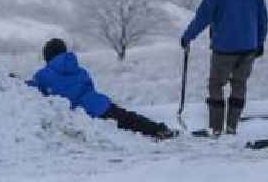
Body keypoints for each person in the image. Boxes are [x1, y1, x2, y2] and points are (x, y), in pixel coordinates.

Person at [181, 0, 268, 135]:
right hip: (249, 47)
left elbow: (203, 17)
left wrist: (188, 37)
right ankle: (231, 127)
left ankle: (215, 128)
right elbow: (263, 19)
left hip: (224, 47)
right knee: (239, 85)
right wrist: (260, 43)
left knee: (216, 85)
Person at [27, 38, 178, 140]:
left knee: (125, 121)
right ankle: (159, 130)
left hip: (82, 114)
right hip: (100, 105)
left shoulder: (42, 75)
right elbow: (90, 88)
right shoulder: (80, 70)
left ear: (47, 55)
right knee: (129, 119)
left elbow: (31, 91)